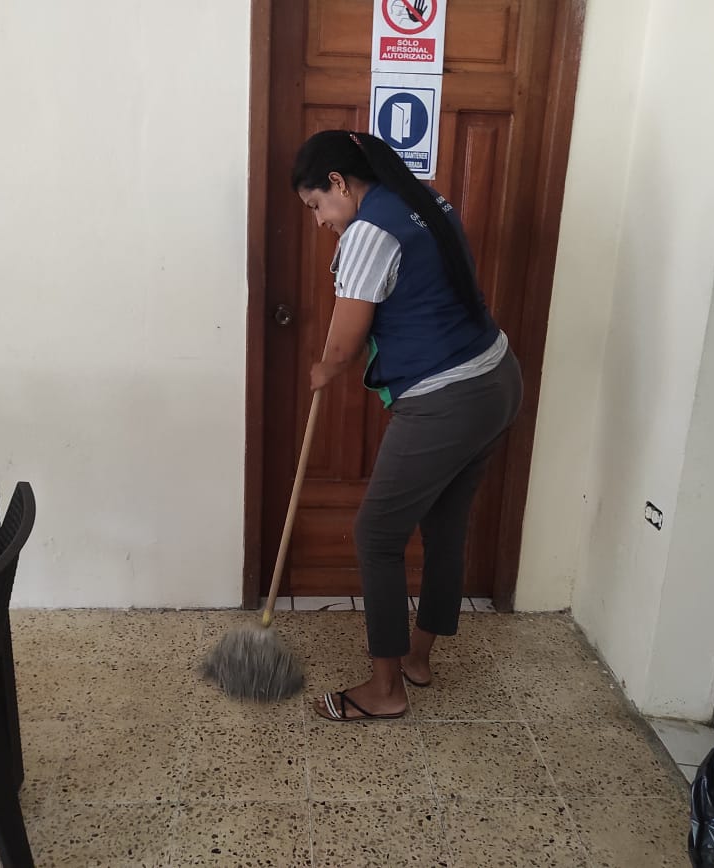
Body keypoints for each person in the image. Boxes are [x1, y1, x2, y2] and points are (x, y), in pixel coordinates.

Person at [290, 130, 523, 722]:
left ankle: (385, 689)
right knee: (445, 525)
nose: (320, 221)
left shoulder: (368, 232)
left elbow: (344, 343)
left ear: (339, 183)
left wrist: (324, 368)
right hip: (496, 378)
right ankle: (418, 659)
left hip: (448, 397)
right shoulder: (422, 197)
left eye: (317, 205)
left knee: (376, 534)